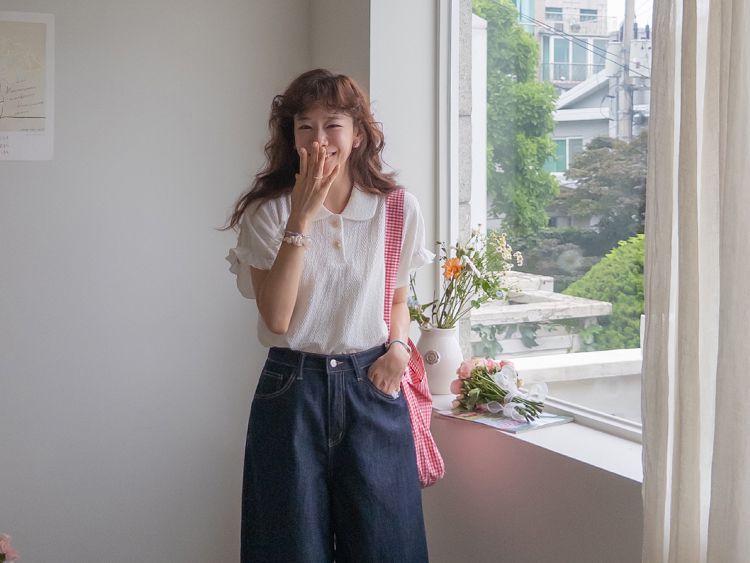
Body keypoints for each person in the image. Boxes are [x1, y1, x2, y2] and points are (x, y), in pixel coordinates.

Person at [223, 68, 434, 562]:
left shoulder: (395, 208)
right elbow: (277, 319)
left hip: (373, 384)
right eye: (305, 126)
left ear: (357, 134)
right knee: (288, 548)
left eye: (332, 124)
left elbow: (397, 299)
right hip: (293, 390)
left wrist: (398, 349)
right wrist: (301, 217)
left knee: (389, 547)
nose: (318, 139)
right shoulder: (269, 213)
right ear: (291, 136)